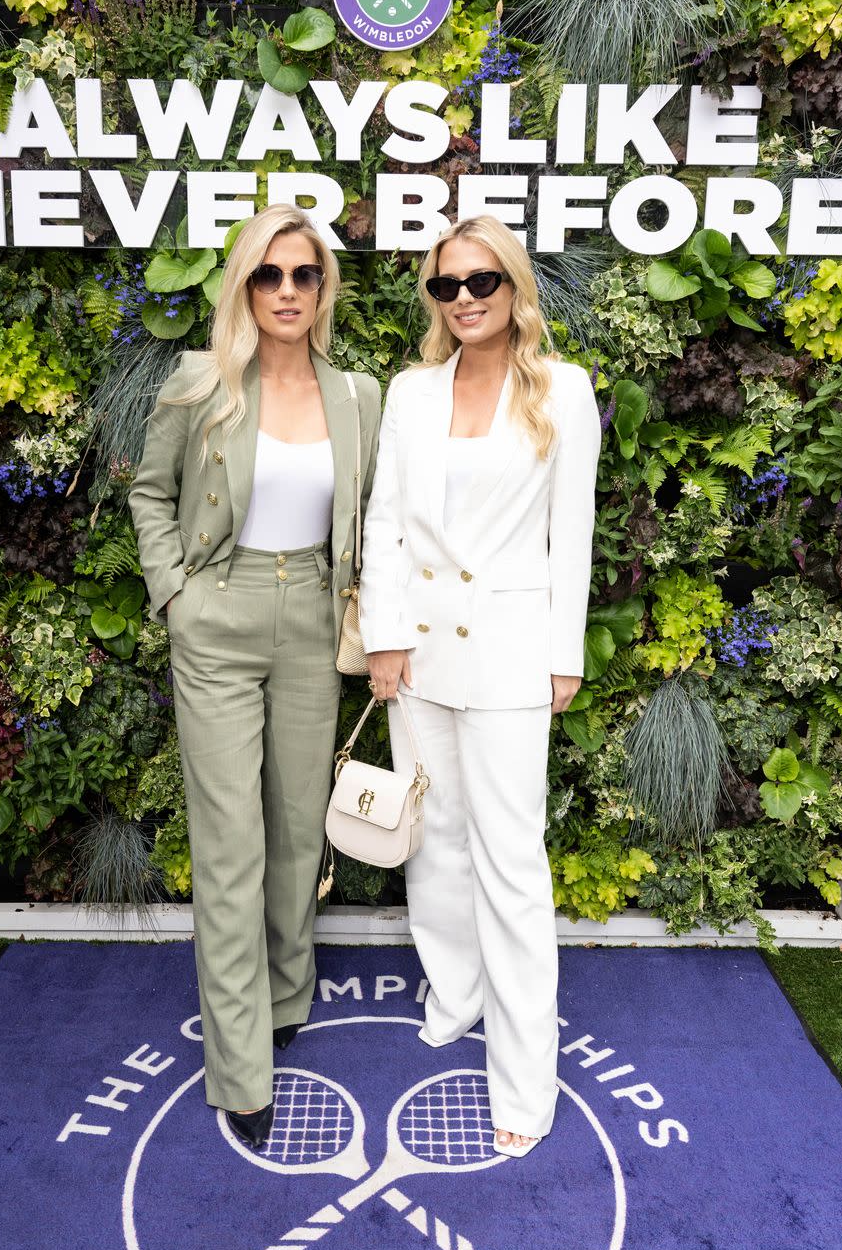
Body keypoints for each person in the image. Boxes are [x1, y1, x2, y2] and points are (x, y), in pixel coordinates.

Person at [129, 204, 380, 1149]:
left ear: (324, 288)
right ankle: (241, 1070)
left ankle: (283, 996)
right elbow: (150, 493)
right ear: (243, 283)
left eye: (303, 275)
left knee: (293, 831)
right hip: (219, 615)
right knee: (229, 839)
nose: (285, 292)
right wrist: (175, 597)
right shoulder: (201, 381)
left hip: (316, 615)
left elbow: (373, 515)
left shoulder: (357, 394)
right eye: (268, 275)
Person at [358, 214, 601, 1157]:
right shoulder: (412, 391)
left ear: (514, 287)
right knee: (435, 838)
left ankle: (524, 1076)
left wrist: (564, 654)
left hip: (507, 656)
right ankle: (453, 995)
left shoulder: (563, 389)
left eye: (481, 283)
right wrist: (382, 639)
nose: (464, 300)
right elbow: (385, 525)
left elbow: (569, 536)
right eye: (445, 286)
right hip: (416, 656)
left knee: (510, 861)